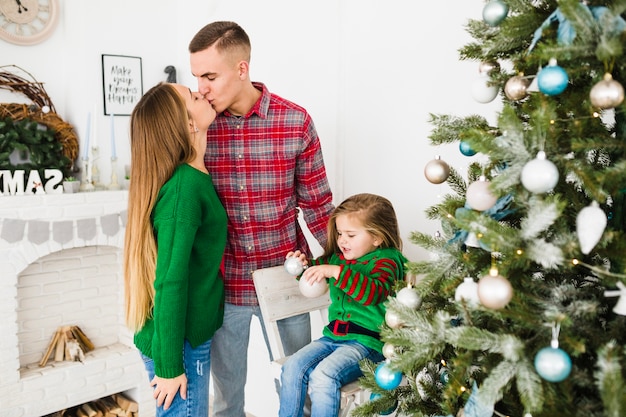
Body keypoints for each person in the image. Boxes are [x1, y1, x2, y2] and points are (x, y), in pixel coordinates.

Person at [188, 21, 334, 417]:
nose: (201, 87)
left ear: (241, 69)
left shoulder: (295, 122)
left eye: (210, 76)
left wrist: (349, 270)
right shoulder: (197, 127)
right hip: (224, 284)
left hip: (287, 282)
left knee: (297, 390)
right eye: (196, 76)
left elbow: (319, 206)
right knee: (227, 400)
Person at [123, 82, 227, 416]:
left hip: (185, 334)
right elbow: (170, 280)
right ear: (188, 124)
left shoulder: (195, 177)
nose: (202, 93)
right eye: (193, 97)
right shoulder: (184, 188)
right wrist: (169, 366)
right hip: (176, 343)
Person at [279, 193, 408, 417]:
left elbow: (373, 293)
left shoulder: (388, 260)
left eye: (350, 234)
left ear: (376, 237)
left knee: (324, 375)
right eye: (339, 233)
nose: (342, 240)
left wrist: (336, 272)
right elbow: (314, 273)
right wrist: (300, 267)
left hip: (368, 346)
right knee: (292, 367)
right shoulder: (338, 259)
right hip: (332, 338)